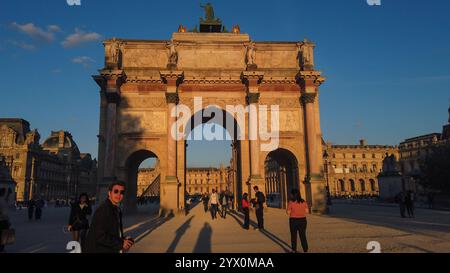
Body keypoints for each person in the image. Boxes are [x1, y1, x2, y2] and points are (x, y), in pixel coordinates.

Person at [85, 182, 134, 253]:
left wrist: (123, 239)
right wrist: (121, 243)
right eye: (116, 191)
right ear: (109, 193)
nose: (119, 194)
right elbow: (100, 236)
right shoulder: (104, 210)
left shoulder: (116, 209)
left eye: (122, 192)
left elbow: (111, 232)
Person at [286, 189, 309, 253]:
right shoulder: (303, 201)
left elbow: (288, 212)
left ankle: (294, 250)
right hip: (303, 220)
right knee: (303, 235)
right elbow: (307, 211)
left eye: (291, 194)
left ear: (293, 195)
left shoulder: (291, 202)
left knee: (293, 236)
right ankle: (305, 250)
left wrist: (293, 211)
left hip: (293, 220)